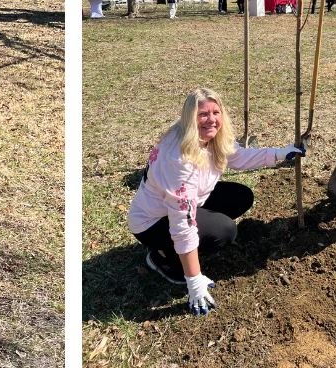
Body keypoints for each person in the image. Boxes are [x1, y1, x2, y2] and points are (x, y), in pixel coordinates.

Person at [128, 88, 304, 315]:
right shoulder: (179, 160)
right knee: (224, 231)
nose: (211, 119)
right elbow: (182, 224)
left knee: (241, 196)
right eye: (203, 114)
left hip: (185, 203)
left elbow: (238, 156)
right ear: (190, 117)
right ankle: (164, 258)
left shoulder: (209, 139)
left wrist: (279, 154)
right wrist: (194, 280)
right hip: (152, 223)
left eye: (216, 112)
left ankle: (179, 249)